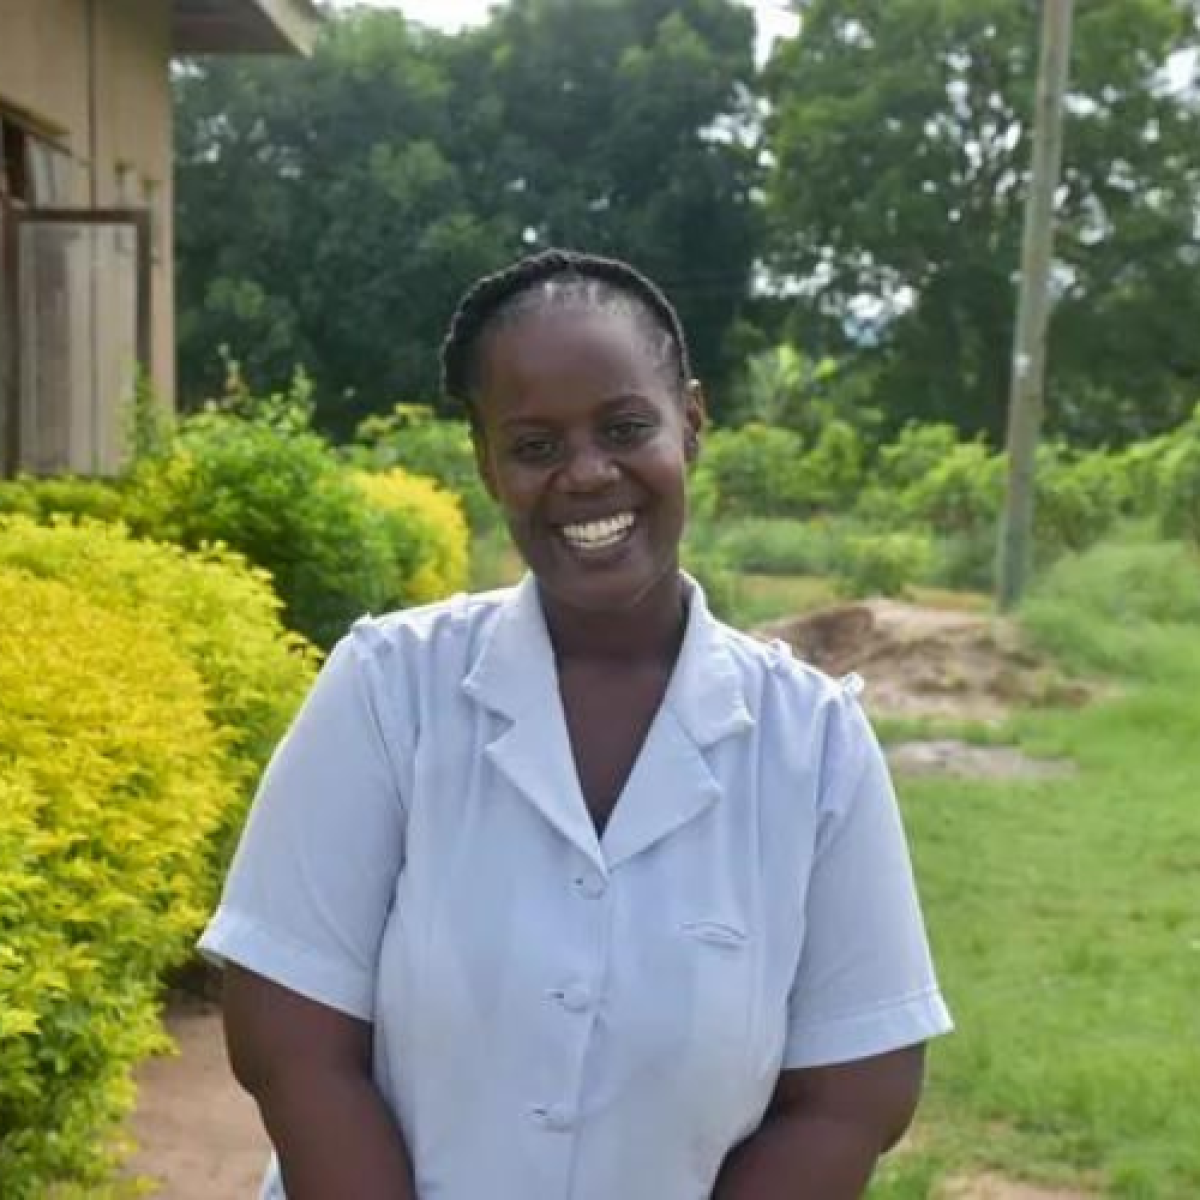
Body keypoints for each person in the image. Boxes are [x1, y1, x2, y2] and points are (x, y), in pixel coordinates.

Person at [198, 249, 953, 1200]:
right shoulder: (389, 691)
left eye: (626, 426)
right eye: (535, 445)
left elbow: (853, 1095)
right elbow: (290, 1043)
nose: (588, 474)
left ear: (693, 421)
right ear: (486, 463)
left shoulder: (814, 747)